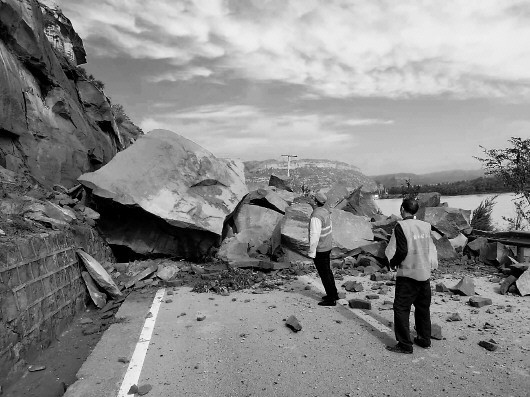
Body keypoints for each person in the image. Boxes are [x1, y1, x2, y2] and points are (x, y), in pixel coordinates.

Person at [384, 198, 438, 354]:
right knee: (423, 309)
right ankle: (424, 339)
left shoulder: (401, 226)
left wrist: (393, 263)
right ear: (416, 211)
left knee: (401, 308)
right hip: (424, 274)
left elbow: (401, 251)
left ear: (402, 209)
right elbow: (429, 248)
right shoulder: (426, 226)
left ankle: (405, 344)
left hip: (408, 274)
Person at [308, 192, 338, 306]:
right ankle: (334, 293)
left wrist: (312, 252)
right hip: (327, 246)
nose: (310, 200)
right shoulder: (325, 212)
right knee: (328, 272)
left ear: (315, 202)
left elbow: (314, 235)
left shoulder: (316, 216)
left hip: (320, 249)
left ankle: (331, 299)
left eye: (312, 198)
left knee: (324, 274)